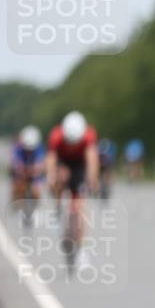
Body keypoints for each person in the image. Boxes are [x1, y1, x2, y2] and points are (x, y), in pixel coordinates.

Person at [46, 111, 99, 268]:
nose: (72, 144)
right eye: (69, 141)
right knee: (59, 177)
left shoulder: (89, 135)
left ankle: (82, 248)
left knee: (80, 208)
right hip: (62, 162)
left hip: (79, 165)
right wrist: (51, 177)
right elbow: (51, 159)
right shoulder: (56, 135)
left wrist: (93, 179)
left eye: (75, 142)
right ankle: (57, 210)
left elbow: (92, 160)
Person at [10, 126, 47, 216]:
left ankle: (34, 206)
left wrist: (36, 170)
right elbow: (15, 162)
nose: (29, 150)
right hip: (22, 171)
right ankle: (17, 202)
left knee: (36, 191)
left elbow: (41, 163)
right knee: (18, 185)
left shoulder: (40, 148)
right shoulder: (18, 148)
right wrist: (20, 170)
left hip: (34, 173)